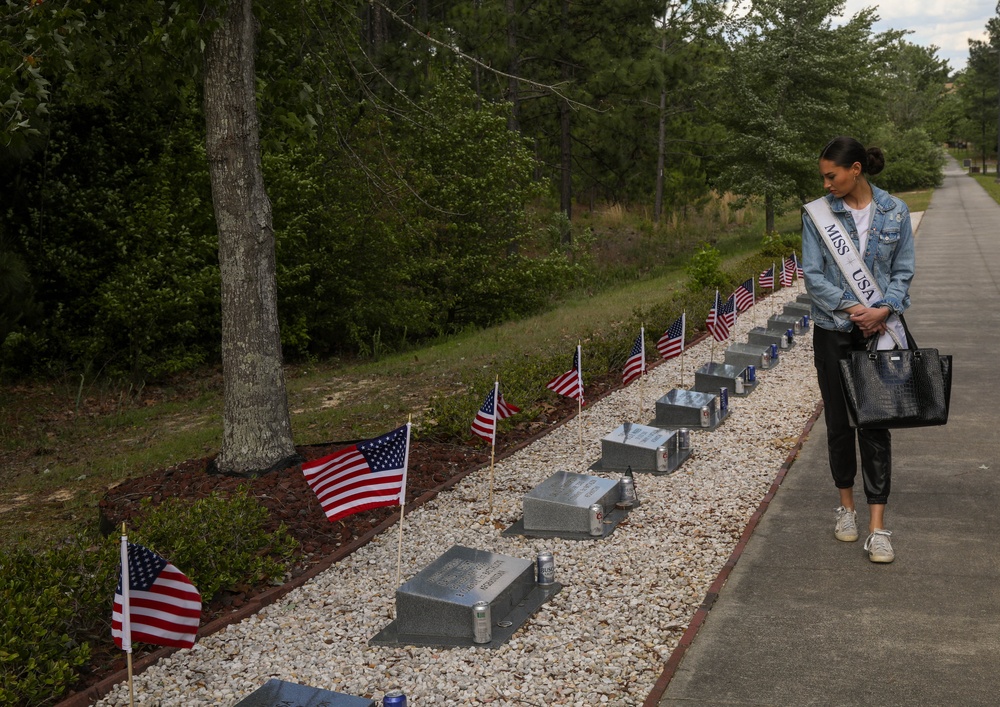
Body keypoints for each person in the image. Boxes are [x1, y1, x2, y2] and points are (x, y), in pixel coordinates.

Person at [800, 136, 915, 564]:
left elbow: (903, 271)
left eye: (832, 175)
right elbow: (813, 275)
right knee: (838, 422)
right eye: (823, 177)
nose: (827, 183)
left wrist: (883, 308)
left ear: (855, 170)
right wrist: (855, 308)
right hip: (834, 328)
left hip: (879, 330)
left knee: (876, 422)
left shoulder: (895, 211)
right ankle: (846, 509)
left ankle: (878, 527)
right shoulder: (817, 215)